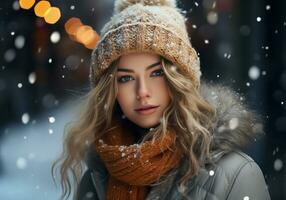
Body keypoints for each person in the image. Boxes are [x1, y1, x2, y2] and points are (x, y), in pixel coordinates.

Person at [52, 0, 271, 199]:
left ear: (180, 80)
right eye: (126, 78)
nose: (143, 91)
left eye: (157, 73)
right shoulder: (97, 176)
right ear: (110, 90)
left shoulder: (236, 175)